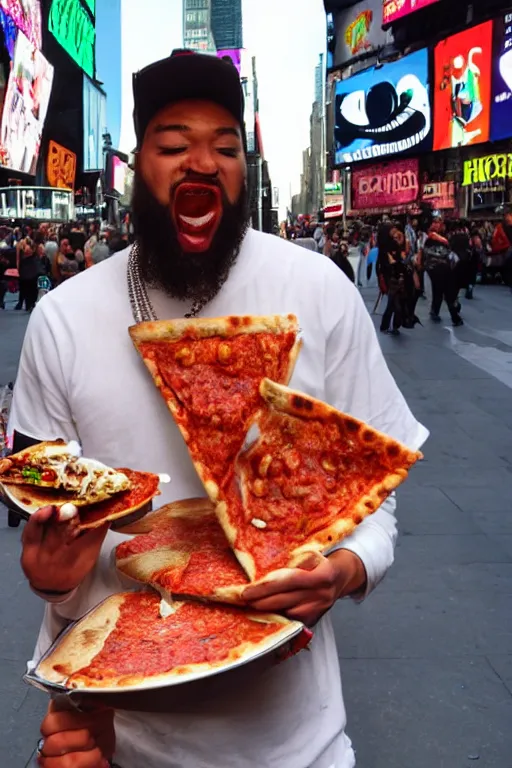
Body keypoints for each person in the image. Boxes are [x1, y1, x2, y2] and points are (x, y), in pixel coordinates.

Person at [12, 50, 427, 768]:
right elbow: (50, 543)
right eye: (174, 145)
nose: (201, 162)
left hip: (299, 743)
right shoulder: (62, 318)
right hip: (123, 732)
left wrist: (345, 569)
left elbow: (376, 505)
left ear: (243, 169)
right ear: (137, 164)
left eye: (225, 147)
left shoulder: (318, 290)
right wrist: (53, 578)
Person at [419, 219, 463, 326]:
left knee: (438, 290)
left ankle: (435, 311)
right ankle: (454, 317)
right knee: (447, 292)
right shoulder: (442, 240)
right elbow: (448, 254)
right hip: (442, 267)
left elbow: (423, 253)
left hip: (433, 268)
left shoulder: (428, 238)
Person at [15, 237, 40, 312]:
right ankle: (29, 304)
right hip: (27, 268)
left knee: (27, 288)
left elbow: (18, 259)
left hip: (28, 268)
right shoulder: (22, 247)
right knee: (28, 287)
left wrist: (18, 269)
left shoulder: (23, 246)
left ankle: (29, 304)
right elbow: (18, 259)